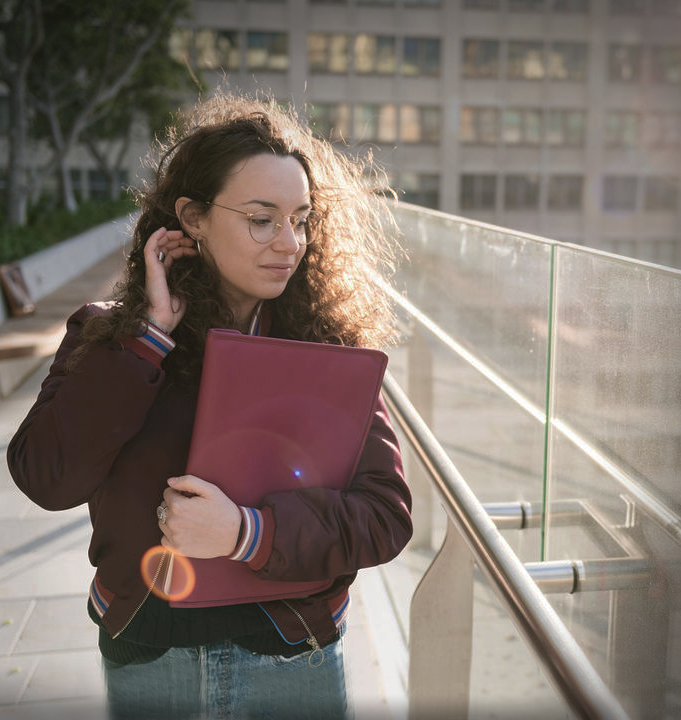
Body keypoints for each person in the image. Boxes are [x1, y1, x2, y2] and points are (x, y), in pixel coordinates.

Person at [6, 92, 412, 720]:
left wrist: (248, 533)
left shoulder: (330, 351)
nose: (290, 242)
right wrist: (147, 340)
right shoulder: (109, 336)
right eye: (261, 218)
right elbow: (47, 480)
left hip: (290, 653)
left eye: (301, 219)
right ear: (192, 217)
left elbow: (385, 517)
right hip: (150, 652)